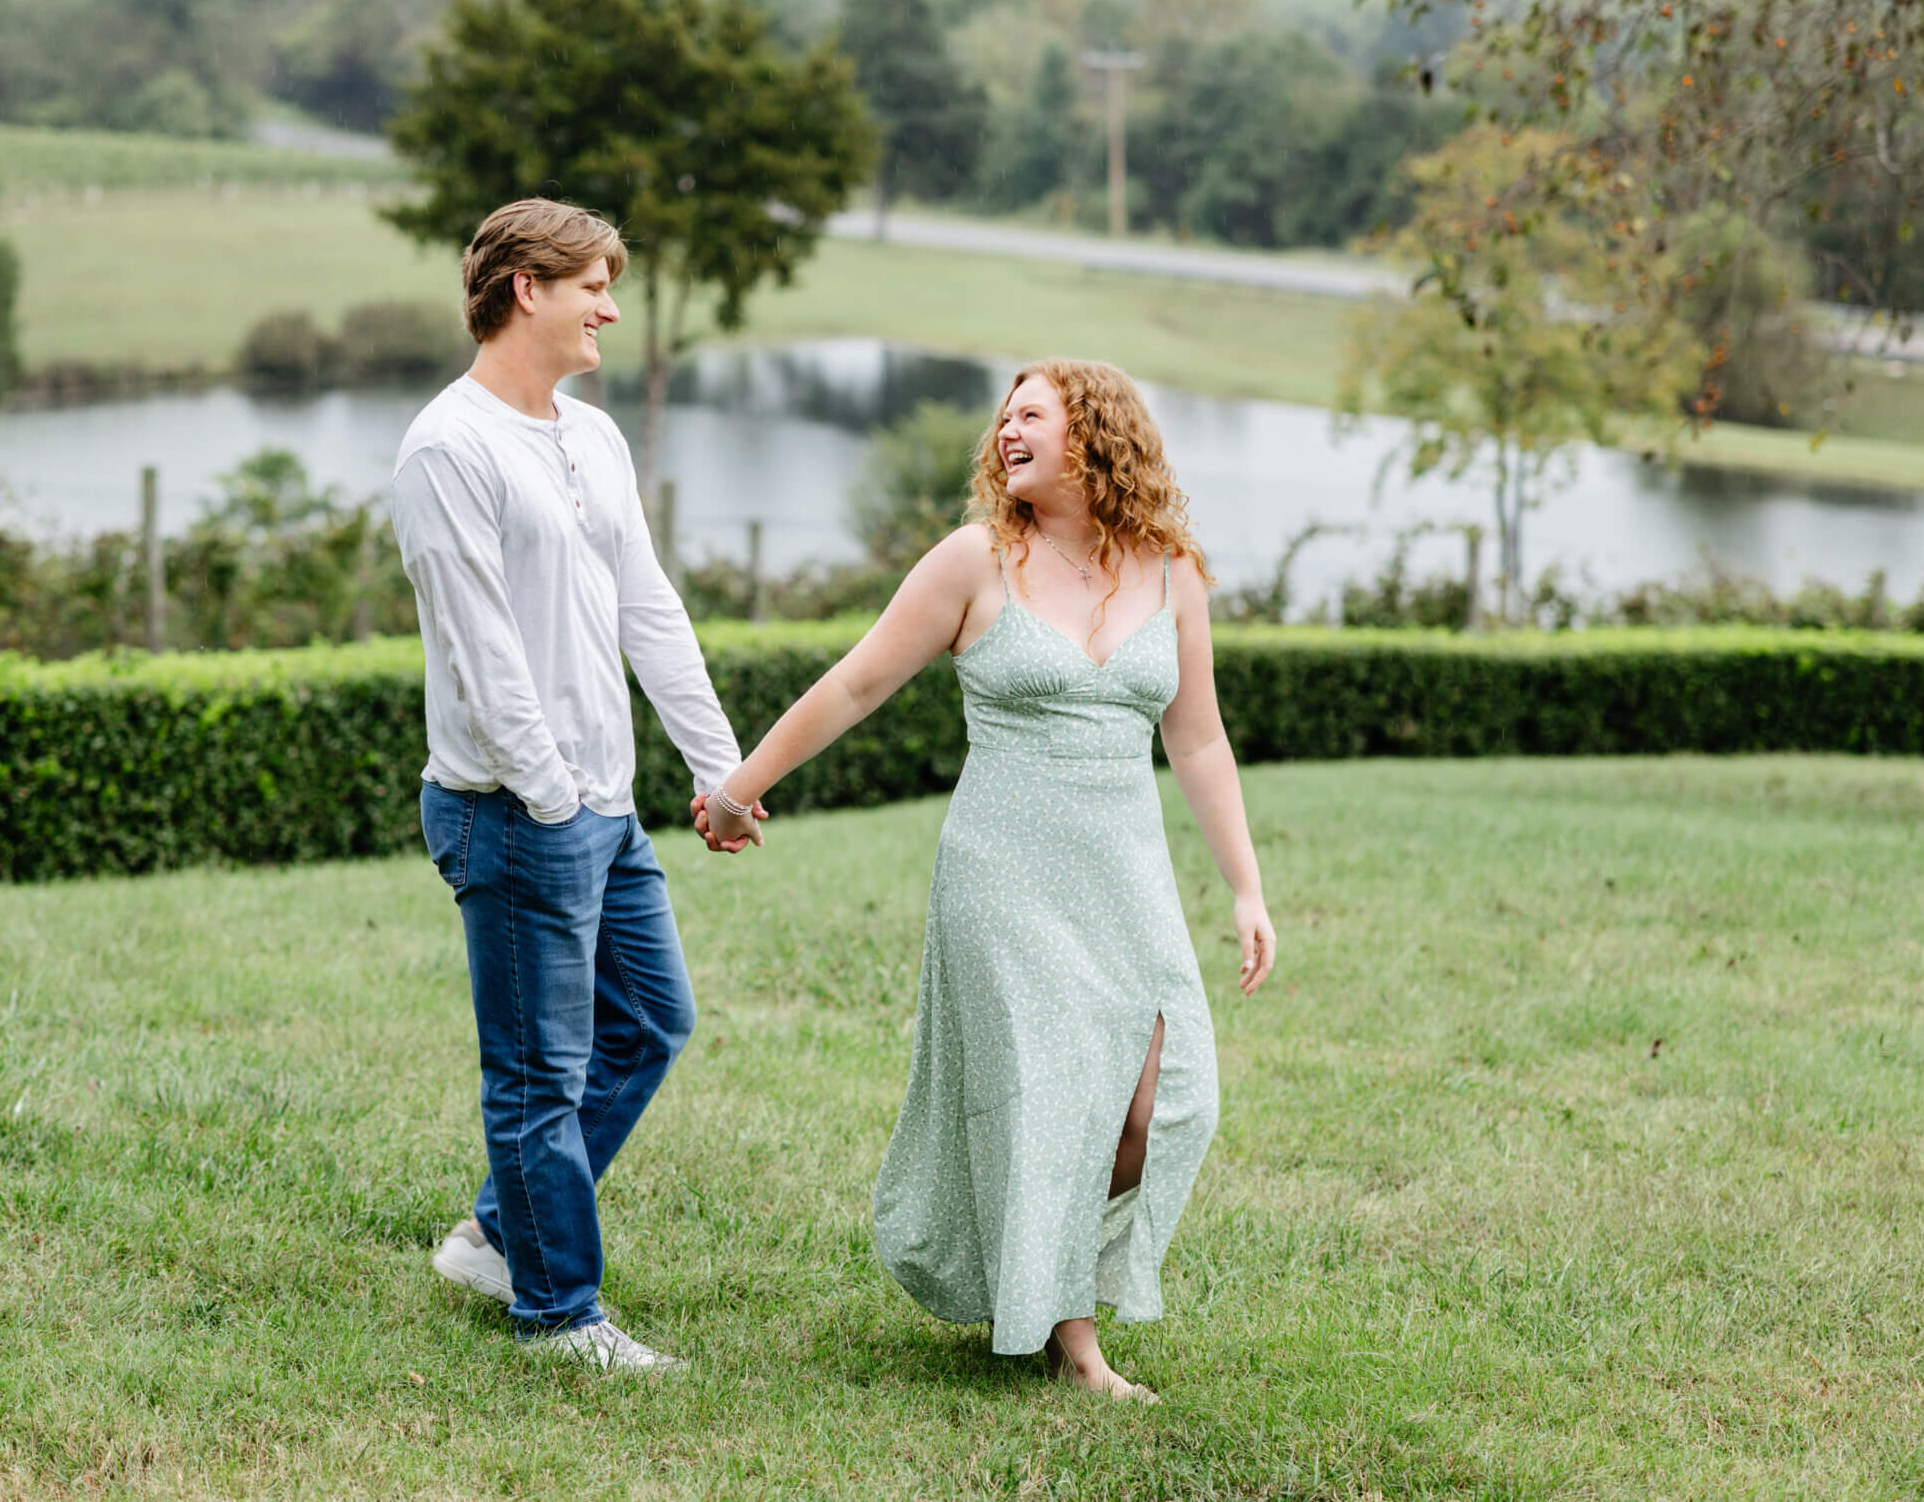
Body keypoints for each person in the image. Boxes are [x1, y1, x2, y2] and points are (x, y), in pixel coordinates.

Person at [696, 359, 1277, 1402]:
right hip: (1000, 872)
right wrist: (738, 789)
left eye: (1033, 416)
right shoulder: (974, 561)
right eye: (1002, 417)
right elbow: (859, 677)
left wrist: (1245, 888)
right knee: (1055, 1097)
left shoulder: (1169, 569)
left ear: (1095, 435)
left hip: (1124, 874)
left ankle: (1027, 1262)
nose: (1008, 431)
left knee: (1166, 1103)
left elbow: (1198, 741)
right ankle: (1075, 1339)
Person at [392, 197, 756, 1376]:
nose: (609, 304)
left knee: (652, 1019)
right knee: (538, 1071)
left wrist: (720, 766)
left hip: (606, 807)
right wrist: (551, 799)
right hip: (517, 811)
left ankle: (501, 1234)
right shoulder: (447, 448)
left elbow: (647, 608)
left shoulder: (592, 435)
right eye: (592, 282)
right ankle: (558, 1312)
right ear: (522, 289)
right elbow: (481, 652)